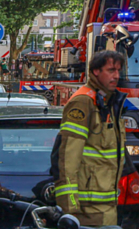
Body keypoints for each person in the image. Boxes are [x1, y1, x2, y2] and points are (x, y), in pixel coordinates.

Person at [51, 50, 127, 227]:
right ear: (95, 72)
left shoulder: (108, 102)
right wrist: (69, 209)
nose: (116, 76)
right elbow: (67, 158)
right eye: (110, 70)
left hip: (105, 205)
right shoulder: (84, 103)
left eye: (118, 70)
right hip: (87, 210)